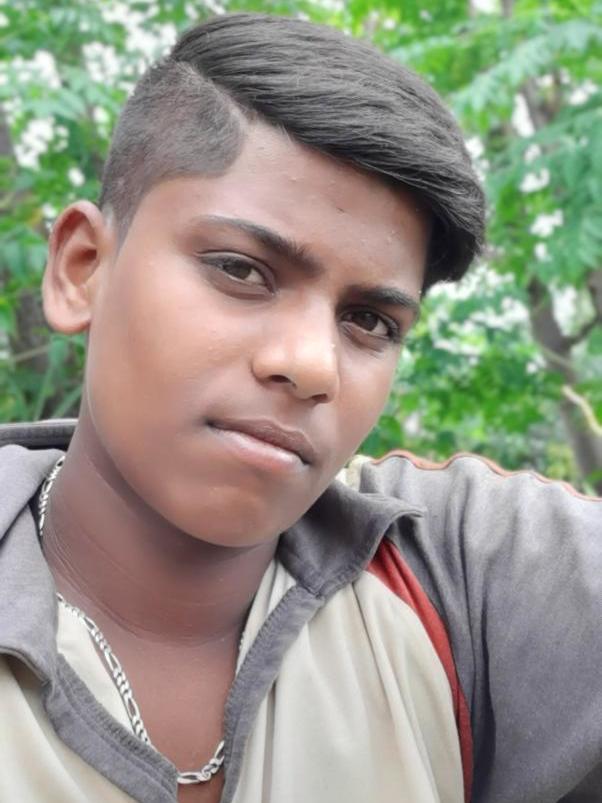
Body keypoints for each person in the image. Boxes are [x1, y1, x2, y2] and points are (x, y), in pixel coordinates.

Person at [0, 11, 599, 803]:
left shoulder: (459, 576)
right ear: (82, 269)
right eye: (241, 270)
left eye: (369, 321)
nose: (313, 365)